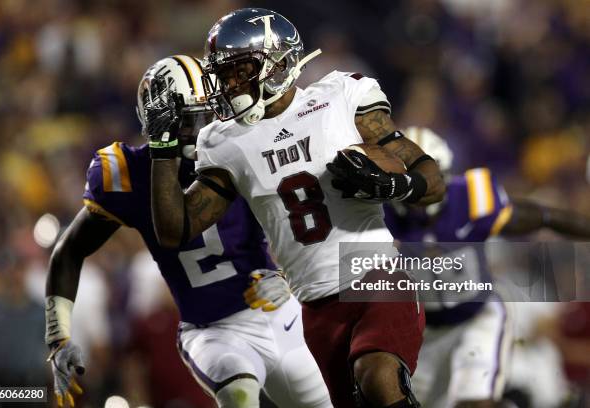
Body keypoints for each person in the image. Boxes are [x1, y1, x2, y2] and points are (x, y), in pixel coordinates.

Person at [149, 8, 446, 408]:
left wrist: (397, 184)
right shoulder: (223, 141)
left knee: (377, 378)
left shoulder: (339, 97)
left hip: (378, 280)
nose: (228, 83)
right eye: (224, 74)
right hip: (316, 307)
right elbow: (176, 229)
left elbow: (429, 176)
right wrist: (163, 152)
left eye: (240, 70)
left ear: (277, 64)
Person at [44, 54, 332, 408]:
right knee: (238, 396)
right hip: (213, 331)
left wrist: (288, 276)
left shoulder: (238, 146)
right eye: (189, 119)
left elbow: (306, 221)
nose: (203, 128)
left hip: (280, 315)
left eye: (209, 113)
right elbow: (69, 250)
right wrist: (58, 338)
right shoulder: (127, 174)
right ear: (155, 122)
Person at [383, 126, 590, 407]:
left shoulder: (470, 198)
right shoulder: (380, 218)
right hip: (424, 334)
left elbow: (542, 217)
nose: (421, 190)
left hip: (477, 318)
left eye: (427, 178)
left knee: (474, 401)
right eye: (411, 181)